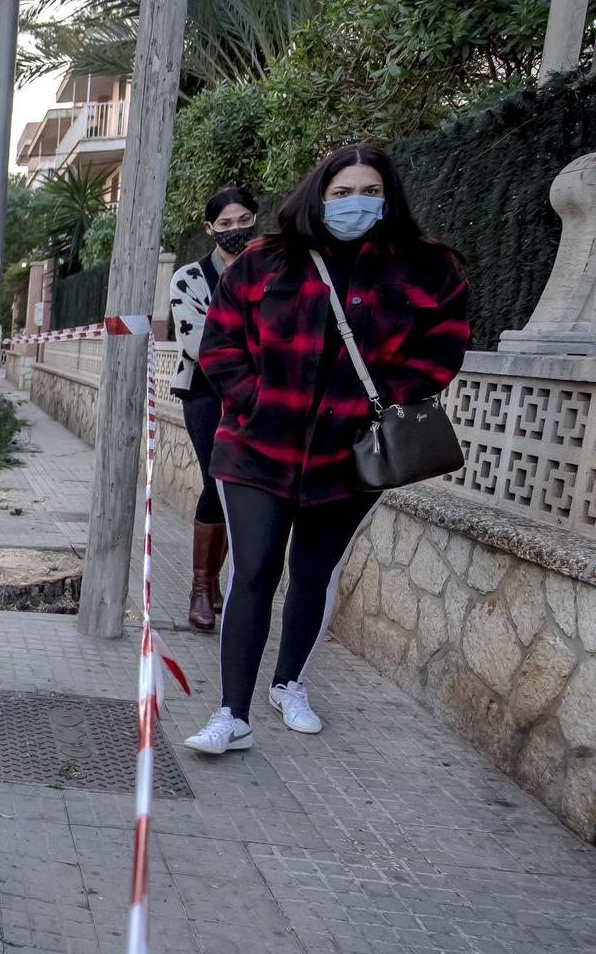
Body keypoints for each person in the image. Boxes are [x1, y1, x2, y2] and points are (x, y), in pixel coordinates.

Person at [185, 144, 468, 755]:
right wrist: (253, 399)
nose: (355, 203)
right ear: (319, 195)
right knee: (254, 570)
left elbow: (442, 351)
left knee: (314, 570)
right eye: (342, 193)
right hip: (258, 449)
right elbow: (220, 343)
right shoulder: (265, 260)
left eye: (369, 191)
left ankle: (291, 684)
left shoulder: (428, 268)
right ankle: (232, 714)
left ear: (388, 197)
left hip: (351, 457)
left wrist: (380, 402)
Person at [169, 186, 260, 631]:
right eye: (225, 224)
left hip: (264, 394)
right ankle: (201, 587)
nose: (236, 230)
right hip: (206, 392)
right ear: (209, 229)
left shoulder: (273, 270)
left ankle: (221, 582)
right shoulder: (189, 278)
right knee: (217, 478)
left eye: (244, 220)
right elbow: (199, 343)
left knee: (240, 485)